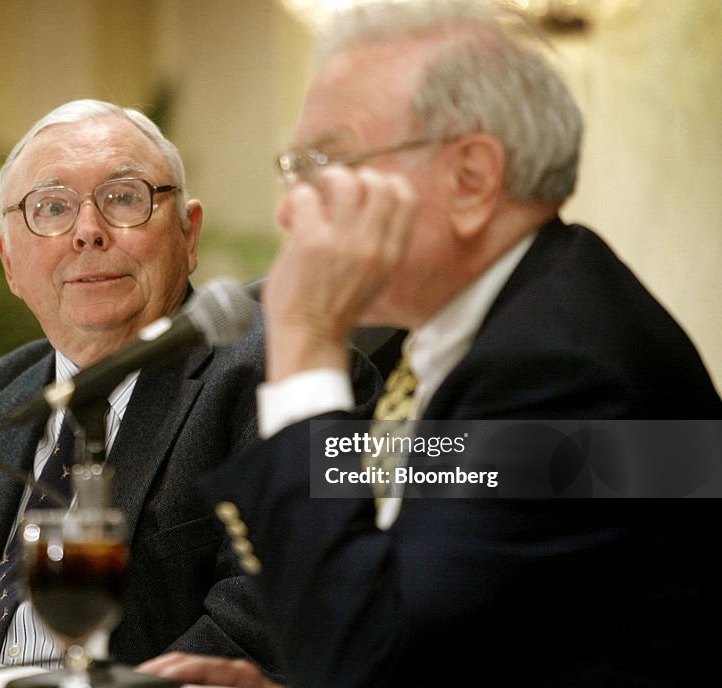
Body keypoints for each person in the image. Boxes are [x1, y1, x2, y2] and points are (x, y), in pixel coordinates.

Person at [139, 1, 722, 686]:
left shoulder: (565, 370)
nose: (291, 208)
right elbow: (444, 636)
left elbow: (368, 658)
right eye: (295, 168)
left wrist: (305, 345)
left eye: (326, 161)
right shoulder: (497, 330)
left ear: (471, 179)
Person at [0, 99, 379, 676]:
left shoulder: (278, 379)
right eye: (52, 208)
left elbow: (272, 615)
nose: (88, 232)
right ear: (8, 259)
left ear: (188, 232)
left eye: (123, 199)